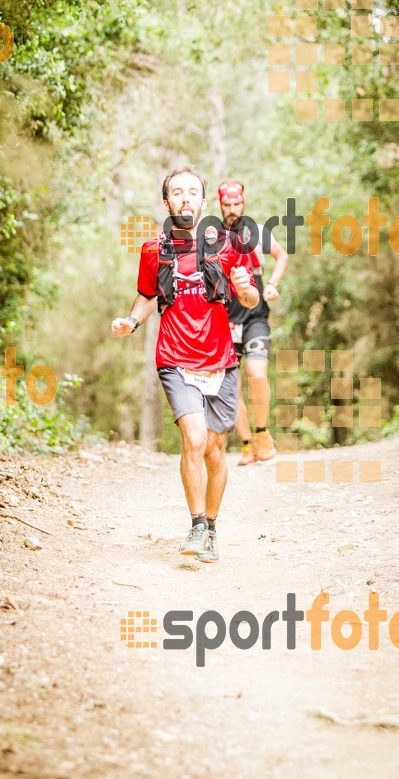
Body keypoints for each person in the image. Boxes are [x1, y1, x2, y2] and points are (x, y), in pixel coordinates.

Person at [111, 168, 259, 563]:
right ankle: (195, 525)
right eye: (177, 192)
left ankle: (211, 527)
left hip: (220, 361)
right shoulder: (152, 250)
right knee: (193, 439)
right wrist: (131, 321)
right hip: (175, 357)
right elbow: (145, 297)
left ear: (204, 202)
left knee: (214, 450)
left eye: (193, 192)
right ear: (166, 202)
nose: (185, 198)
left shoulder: (228, 246)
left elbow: (247, 299)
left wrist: (245, 290)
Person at [218, 180, 289, 465]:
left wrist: (272, 283)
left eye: (237, 204)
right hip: (226, 319)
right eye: (227, 205)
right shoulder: (212, 237)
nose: (233, 209)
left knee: (256, 372)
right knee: (230, 384)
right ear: (220, 204)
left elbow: (281, 255)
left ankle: (263, 434)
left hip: (256, 315)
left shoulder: (257, 232)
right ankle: (247, 444)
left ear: (243, 203)